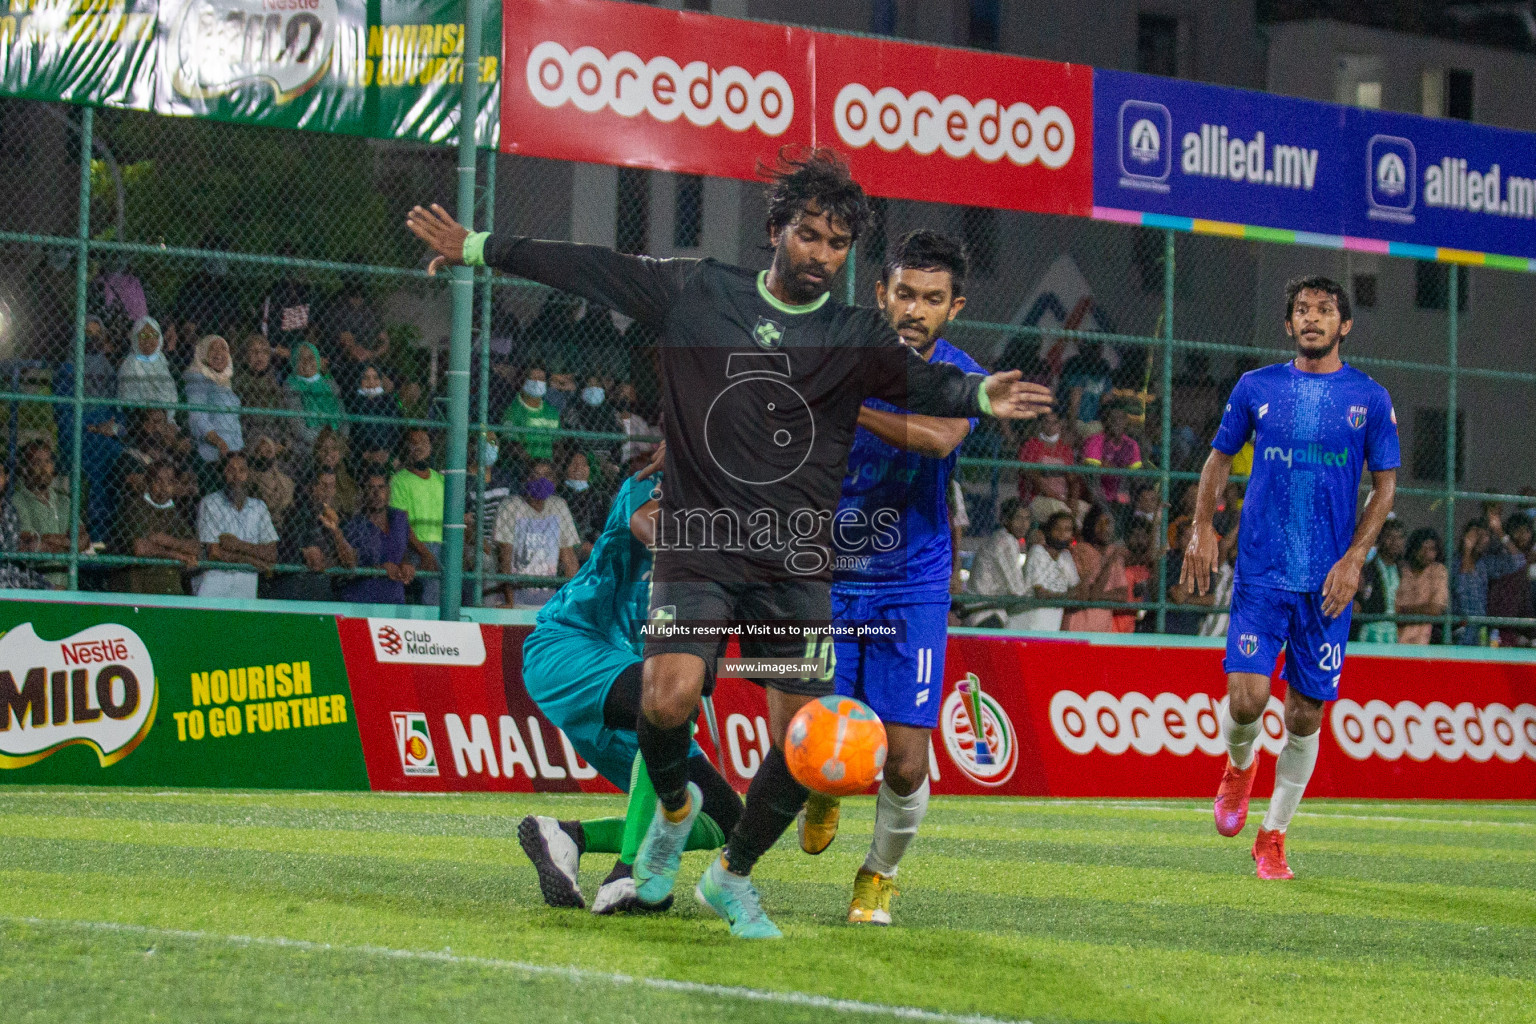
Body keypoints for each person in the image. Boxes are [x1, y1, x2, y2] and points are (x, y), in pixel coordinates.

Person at [407, 144, 1049, 938]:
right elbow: (591, 266)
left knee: (805, 746)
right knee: (666, 695)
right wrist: (479, 248)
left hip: (792, 566)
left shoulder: (852, 333)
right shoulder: (700, 289)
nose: (821, 255)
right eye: (809, 236)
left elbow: (930, 387)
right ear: (777, 229)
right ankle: (673, 811)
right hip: (702, 546)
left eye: (838, 244)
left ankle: (730, 875)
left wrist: (983, 391)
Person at [796, 229, 983, 925]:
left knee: (904, 764)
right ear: (882, 294)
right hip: (833, 578)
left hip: (915, 584)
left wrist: (846, 404)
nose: (915, 309)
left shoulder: (962, 372)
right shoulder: (843, 350)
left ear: (953, 307)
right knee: (814, 741)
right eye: (905, 293)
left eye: (932, 299)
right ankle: (823, 790)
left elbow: (940, 437)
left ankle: (878, 875)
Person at [1184, 276, 1398, 880]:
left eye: (1324, 311)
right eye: (1301, 310)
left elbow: (1385, 488)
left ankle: (1273, 835)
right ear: (1288, 324)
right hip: (1261, 573)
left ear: (1344, 325)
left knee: (1305, 714)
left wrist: (1355, 557)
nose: (1312, 319)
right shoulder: (1258, 387)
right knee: (1247, 699)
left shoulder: (1369, 398)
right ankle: (1238, 765)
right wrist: (1203, 524)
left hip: (1327, 584)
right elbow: (1218, 458)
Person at [516, 446, 743, 914]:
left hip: (636, 681)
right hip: (569, 646)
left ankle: (567, 836)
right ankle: (632, 873)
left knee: (727, 820)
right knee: (664, 701)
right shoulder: (654, 483)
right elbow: (656, 531)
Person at [194, 452, 279, 600]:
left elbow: (271, 554)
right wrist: (254, 560)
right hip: (213, 588)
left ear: (249, 475)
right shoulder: (210, 503)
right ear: (222, 473)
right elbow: (214, 553)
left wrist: (236, 545)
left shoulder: (259, 507)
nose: (236, 476)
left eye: (242, 471)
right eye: (230, 470)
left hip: (246, 591)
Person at [494, 465, 580, 608]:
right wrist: (510, 601)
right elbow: (505, 556)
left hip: (547, 596)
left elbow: (569, 557)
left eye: (547, 475)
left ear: (555, 481)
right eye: (535, 475)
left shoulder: (558, 506)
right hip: (516, 593)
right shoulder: (510, 506)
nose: (541, 480)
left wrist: (573, 601)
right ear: (526, 479)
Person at [270, 469, 357, 601]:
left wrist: (335, 531)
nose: (328, 491)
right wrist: (336, 562)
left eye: (332, 486)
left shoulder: (335, 517)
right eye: (323, 485)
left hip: (322, 587)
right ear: (312, 488)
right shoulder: (299, 514)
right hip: (297, 587)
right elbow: (316, 562)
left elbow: (350, 562)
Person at [119, 461, 200, 595]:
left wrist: (167, 541)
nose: (163, 487)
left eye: (169, 482)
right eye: (158, 481)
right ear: (148, 483)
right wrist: (178, 554)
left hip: (170, 590)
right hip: (140, 590)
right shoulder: (136, 505)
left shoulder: (173, 511)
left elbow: (195, 547)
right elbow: (141, 548)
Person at [12, 440, 84, 590]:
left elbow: (84, 540)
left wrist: (46, 540)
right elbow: (30, 543)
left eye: (48, 461)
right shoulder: (18, 501)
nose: (44, 467)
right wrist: (69, 544)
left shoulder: (64, 501)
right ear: (25, 469)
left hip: (69, 584)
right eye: (37, 462)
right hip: (37, 585)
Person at [342, 471, 418, 604]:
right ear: (363, 493)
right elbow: (351, 565)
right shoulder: (354, 524)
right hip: (362, 599)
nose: (376, 493)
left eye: (381, 487)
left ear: (388, 491)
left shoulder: (399, 518)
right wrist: (380, 568)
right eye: (371, 488)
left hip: (395, 599)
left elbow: (402, 550)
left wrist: (406, 564)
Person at [1452, 511, 1525, 645]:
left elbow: (1518, 562)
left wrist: (1500, 533)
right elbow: (1464, 588)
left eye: (1485, 535)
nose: (1481, 539)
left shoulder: (1485, 563)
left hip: (1481, 631)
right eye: (1477, 534)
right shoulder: (1454, 562)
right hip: (1459, 630)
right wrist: (1467, 549)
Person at [390, 427, 444, 604]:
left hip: (444, 545)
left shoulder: (441, 480)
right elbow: (401, 525)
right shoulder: (399, 480)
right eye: (414, 443)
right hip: (415, 547)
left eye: (424, 442)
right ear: (406, 448)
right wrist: (425, 553)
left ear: (430, 447)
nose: (419, 447)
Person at [184, 334, 243, 490]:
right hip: (211, 458)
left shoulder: (226, 382)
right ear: (203, 353)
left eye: (223, 348)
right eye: (213, 349)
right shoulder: (197, 379)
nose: (219, 353)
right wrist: (218, 441)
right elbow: (198, 418)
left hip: (234, 456)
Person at [965, 496, 1031, 628]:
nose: (1024, 524)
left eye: (1027, 518)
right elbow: (1017, 589)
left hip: (983, 613)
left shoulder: (1000, 538)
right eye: (1018, 518)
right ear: (1005, 519)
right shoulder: (1005, 541)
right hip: (986, 615)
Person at [1063, 505, 1128, 633]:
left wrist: (1099, 596)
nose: (1105, 528)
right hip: (1077, 627)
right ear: (1091, 525)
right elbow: (1086, 592)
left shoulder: (1113, 552)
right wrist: (1109, 562)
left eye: (1108, 523)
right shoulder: (1081, 550)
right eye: (1100, 523)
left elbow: (1122, 595)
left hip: (1102, 629)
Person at [283, 341, 347, 463]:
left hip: (336, 443)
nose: (307, 362)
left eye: (311, 357)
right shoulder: (291, 385)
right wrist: (322, 441)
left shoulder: (330, 384)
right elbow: (298, 425)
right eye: (301, 358)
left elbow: (343, 416)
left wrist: (340, 439)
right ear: (294, 362)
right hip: (309, 446)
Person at [1019, 510, 1081, 631]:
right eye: (1057, 529)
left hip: (1051, 626)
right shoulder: (1037, 551)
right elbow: (1041, 594)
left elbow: (1078, 592)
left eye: (1067, 530)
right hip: (1028, 625)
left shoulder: (1065, 557)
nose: (1062, 534)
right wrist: (1067, 596)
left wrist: (1058, 596)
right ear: (1049, 531)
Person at [0, 461, 53, 590]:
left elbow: (14, 559)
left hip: (13, 577)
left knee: (54, 591)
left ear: (6, 478)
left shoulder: (10, 511)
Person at [117, 316, 179, 425]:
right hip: (136, 421)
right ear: (135, 338)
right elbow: (128, 400)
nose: (148, 340)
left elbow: (171, 396)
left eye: (153, 335)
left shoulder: (162, 361)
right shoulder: (129, 364)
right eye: (143, 335)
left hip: (165, 420)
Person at [232, 333, 288, 451]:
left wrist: (282, 441)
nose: (259, 356)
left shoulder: (274, 380)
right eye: (254, 352)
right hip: (248, 436)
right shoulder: (238, 381)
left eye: (264, 352)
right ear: (245, 356)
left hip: (274, 435)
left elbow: (283, 416)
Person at [1018, 409, 1075, 523]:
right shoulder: (1032, 445)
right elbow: (1031, 474)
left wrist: (1072, 499)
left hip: (1062, 498)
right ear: (1041, 424)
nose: (1050, 426)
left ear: (1060, 424)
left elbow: (1072, 478)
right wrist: (1054, 495)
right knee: (1061, 511)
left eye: (1054, 422)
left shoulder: (1065, 448)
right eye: (1047, 422)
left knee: (1083, 509)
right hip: (1038, 498)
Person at [1080, 404, 1142, 508]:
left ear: (1126, 421)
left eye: (1121, 418)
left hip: (1121, 493)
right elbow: (1092, 475)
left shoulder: (1131, 444)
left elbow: (1135, 475)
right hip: (1099, 494)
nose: (1117, 422)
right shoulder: (1095, 441)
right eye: (1113, 418)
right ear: (1105, 421)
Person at [1355, 519, 1406, 643]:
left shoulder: (1402, 569)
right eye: (1390, 537)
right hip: (1370, 629)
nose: (1394, 542)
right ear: (1380, 538)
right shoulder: (1367, 568)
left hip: (1393, 631)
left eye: (1399, 537)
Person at [1396, 528, 1448, 644]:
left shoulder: (1438, 571)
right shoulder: (1402, 570)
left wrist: (1404, 611)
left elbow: (1435, 609)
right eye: (1422, 548)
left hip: (1425, 641)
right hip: (1396, 639)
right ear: (1414, 549)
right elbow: (1392, 609)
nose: (1426, 554)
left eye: (1431, 549)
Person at [502, 365, 560, 462]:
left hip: (548, 467)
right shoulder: (512, 410)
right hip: (522, 467)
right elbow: (512, 445)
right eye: (532, 378)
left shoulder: (552, 412)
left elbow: (558, 443)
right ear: (522, 380)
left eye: (541, 379)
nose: (537, 382)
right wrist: (534, 464)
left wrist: (553, 465)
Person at [345, 364, 399, 462]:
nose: (371, 382)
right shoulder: (352, 402)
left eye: (375, 378)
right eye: (365, 378)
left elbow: (396, 431)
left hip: (386, 453)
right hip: (361, 454)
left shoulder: (389, 402)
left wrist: (390, 453)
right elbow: (352, 433)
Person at [560, 450, 606, 558]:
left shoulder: (598, 495)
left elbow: (599, 523)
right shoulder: (560, 493)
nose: (578, 468)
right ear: (566, 468)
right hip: (566, 542)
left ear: (589, 469)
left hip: (591, 541)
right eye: (574, 464)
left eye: (583, 464)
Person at [246, 434, 295, 532]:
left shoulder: (286, 481)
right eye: (258, 451)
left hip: (282, 526)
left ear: (274, 454)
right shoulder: (248, 478)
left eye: (268, 451)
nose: (263, 455)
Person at [311, 427, 359, 522]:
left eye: (334, 448)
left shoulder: (349, 481)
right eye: (324, 449)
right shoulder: (310, 479)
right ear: (317, 452)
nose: (328, 453)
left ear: (340, 452)